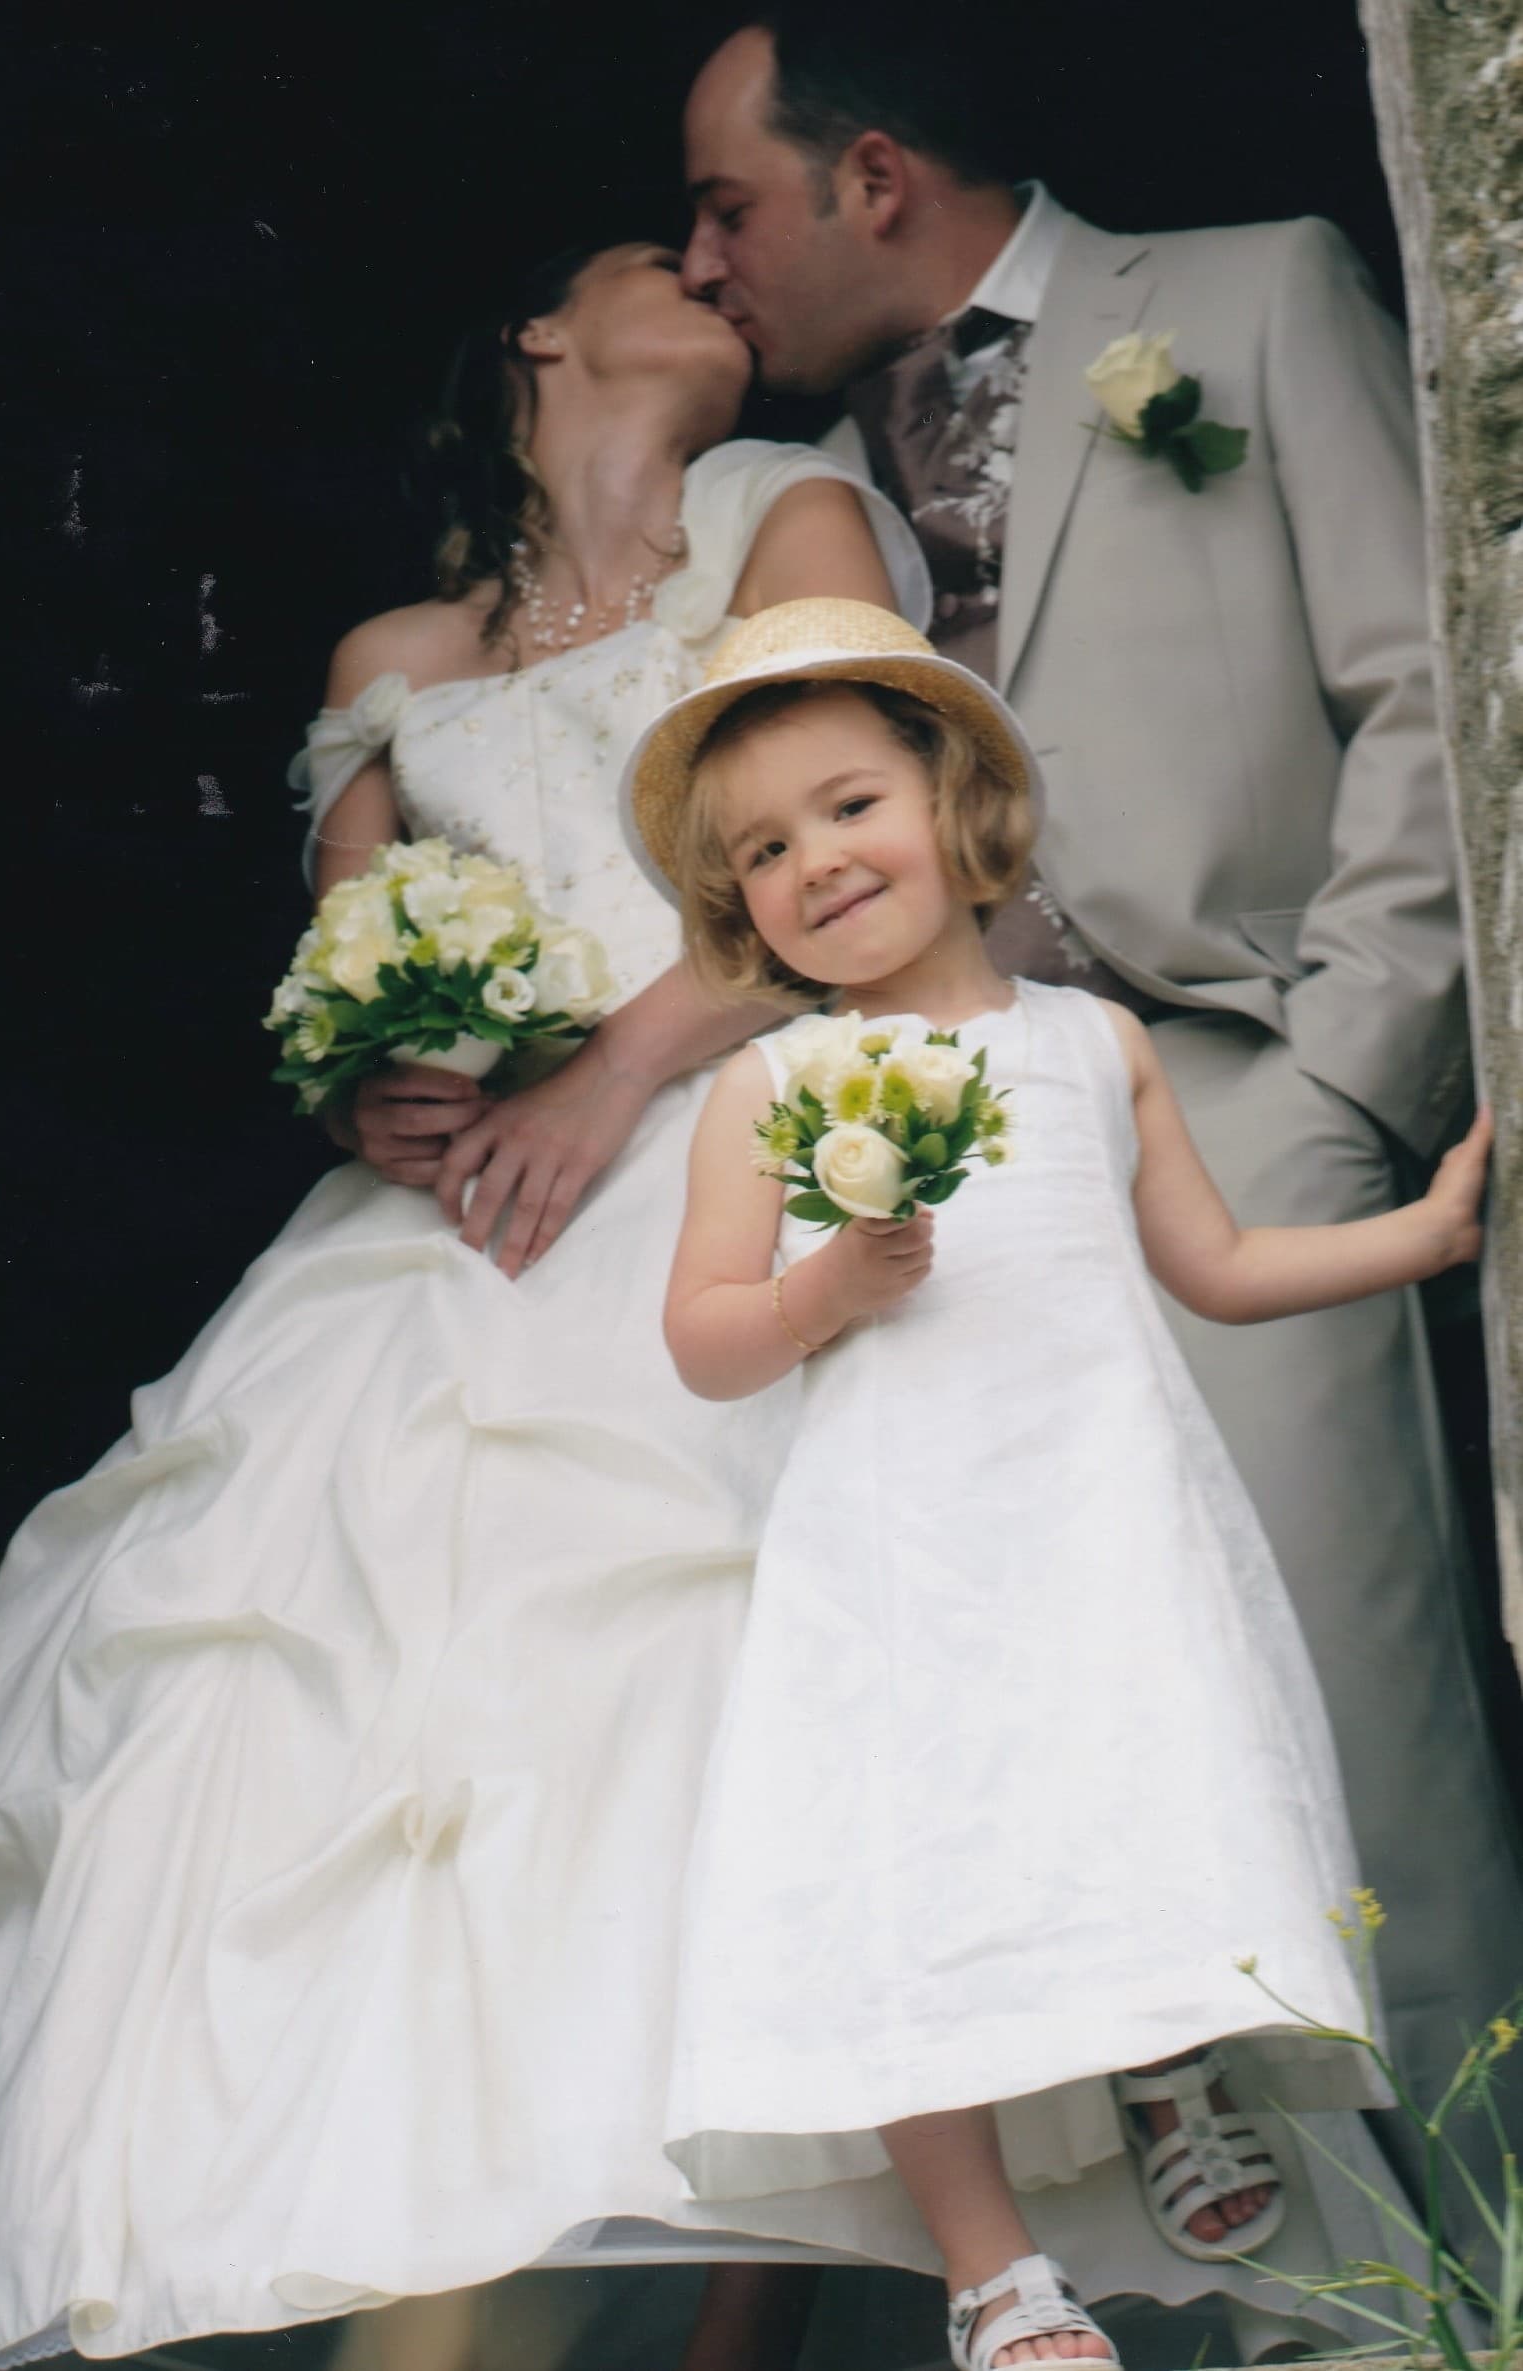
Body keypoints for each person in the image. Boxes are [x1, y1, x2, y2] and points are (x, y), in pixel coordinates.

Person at [0, 242, 935, 2371]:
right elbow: (340, 988)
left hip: (716, 1157)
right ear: (538, 343)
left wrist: (608, 1071)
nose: (712, 275)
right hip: (448, 1245)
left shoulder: (791, 510)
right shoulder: (394, 656)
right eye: (653, 260)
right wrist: (379, 1081)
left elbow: (865, 867)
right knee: (323, 1750)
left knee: (662, 1730)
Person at [677, 12, 1523, 2235]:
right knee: (1020, 1748)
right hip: (925, 1171)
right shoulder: (795, 497)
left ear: (869, 178)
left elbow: (1419, 683)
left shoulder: (1241, 297)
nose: (697, 263)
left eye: (727, 207)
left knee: (1331, 1718)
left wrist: (1345, 1078)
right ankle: (1211, 2292)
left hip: (1222, 1089)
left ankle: (1474, 2270)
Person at [618, 595, 1492, 2371]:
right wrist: (824, 1286)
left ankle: (1168, 2071)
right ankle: (991, 2269)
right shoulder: (776, 1084)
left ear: (955, 803)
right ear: (737, 909)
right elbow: (703, 1336)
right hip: (900, 1546)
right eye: (766, 852)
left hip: (1100, 1516)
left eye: (848, 806)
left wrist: (1428, 1229)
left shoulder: (1094, 1048)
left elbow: (1219, 1266)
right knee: (910, 1871)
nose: (816, 863)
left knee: (1135, 1792)